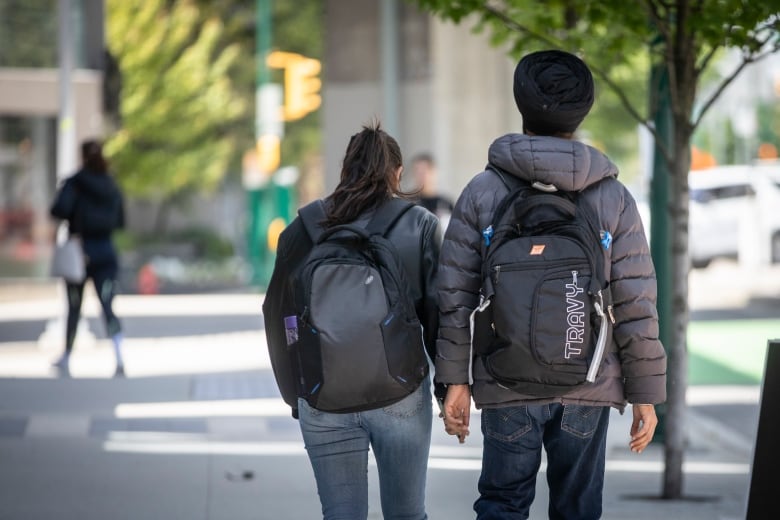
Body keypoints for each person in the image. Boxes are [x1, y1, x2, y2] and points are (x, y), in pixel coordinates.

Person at [435, 50, 667, 519]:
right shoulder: (612, 197)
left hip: (506, 378)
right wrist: (644, 392)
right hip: (589, 379)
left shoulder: (483, 191)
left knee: (502, 504)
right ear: (582, 112)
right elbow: (635, 300)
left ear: (522, 104)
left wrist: (454, 382)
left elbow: (454, 298)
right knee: (577, 509)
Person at [263, 122, 442, 519]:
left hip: (324, 396)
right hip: (402, 394)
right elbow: (439, 315)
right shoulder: (419, 225)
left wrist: (298, 392)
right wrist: (449, 389)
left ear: (345, 171)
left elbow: (280, 318)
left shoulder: (300, 230)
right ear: (396, 174)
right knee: (408, 514)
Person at [50, 139, 126, 377]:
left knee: (74, 307)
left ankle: (67, 357)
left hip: (80, 252)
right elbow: (121, 221)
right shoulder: (111, 185)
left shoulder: (75, 183)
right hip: (105, 251)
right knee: (107, 305)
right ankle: (119, 355)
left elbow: (58, 210)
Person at [411, 153, 454, 226]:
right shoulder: (408, 203)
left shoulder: (446, 204)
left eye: (424, 172)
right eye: (417, 172)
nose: (421, 176)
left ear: (433, 172)